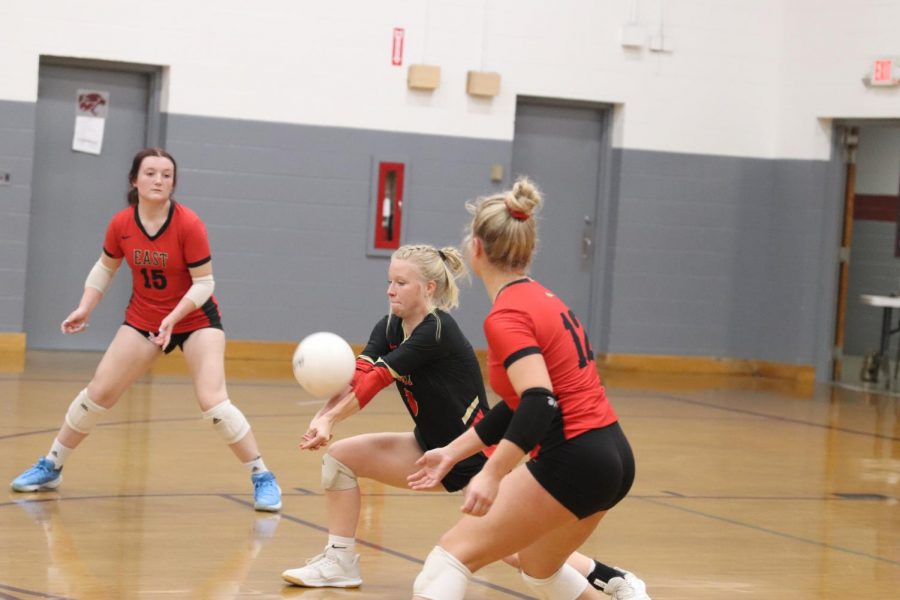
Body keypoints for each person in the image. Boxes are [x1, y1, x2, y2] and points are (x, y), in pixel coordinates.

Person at [281, 243, 644, 599]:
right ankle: (340, 562)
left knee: (514, 552)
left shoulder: (436, 331)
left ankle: (610, 578)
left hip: (474, 453)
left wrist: (331, 419)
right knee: (340, 460)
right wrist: (324, 417)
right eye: (390, 281)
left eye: (402, 282)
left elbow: (379, 379)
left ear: (429, 288)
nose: (391, 289)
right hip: (432, 448)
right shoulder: (389, 326)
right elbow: (360, 373)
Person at [406, 179, 649, 600]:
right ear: (527, 250)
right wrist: (452, 452)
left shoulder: (507, 315)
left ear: (476, 248)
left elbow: (540, 401)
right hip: (612, 455)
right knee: (541, 571)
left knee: (447, 561)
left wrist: (492, 473)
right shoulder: (545, 299)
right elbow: (519, 404)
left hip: (574, 456)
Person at [10, 147, 282, 512]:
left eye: (166, 175)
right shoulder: (122, 224)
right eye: (151, 173)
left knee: (213, 402)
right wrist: (85, 307)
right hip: (144, 318)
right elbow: (106, 268)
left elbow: (204, 285)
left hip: (196, 319)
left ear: (173, 183)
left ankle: (262, 476)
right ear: (134, 180)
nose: (158, 180)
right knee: (98, 393)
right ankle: (52, 465)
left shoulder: (189, 224)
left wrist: (174, 317)